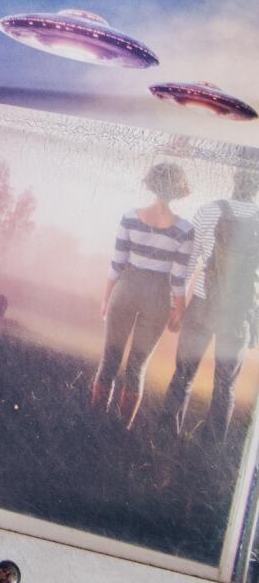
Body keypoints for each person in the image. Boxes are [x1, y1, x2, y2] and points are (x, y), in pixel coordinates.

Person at [91, 158, 195, 427]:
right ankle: (122, 430)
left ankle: (95, 425)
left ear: (152, 183)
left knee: (109, 361)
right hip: (158, 296)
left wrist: (106, 299)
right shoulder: (184, 230)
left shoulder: (129, 217)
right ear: (178, 190)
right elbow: (178, 278)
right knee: (137, 368)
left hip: (125, 288)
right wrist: (178, 310)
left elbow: (116, 264)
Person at [164, 153, 259, 442]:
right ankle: (211, 450)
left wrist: (177, 305)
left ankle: (165, 435)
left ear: (234, 176)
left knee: (182, 376)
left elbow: (188, 263)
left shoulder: (208, 212)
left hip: (203, 307)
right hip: (238, 314)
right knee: (226, 387)